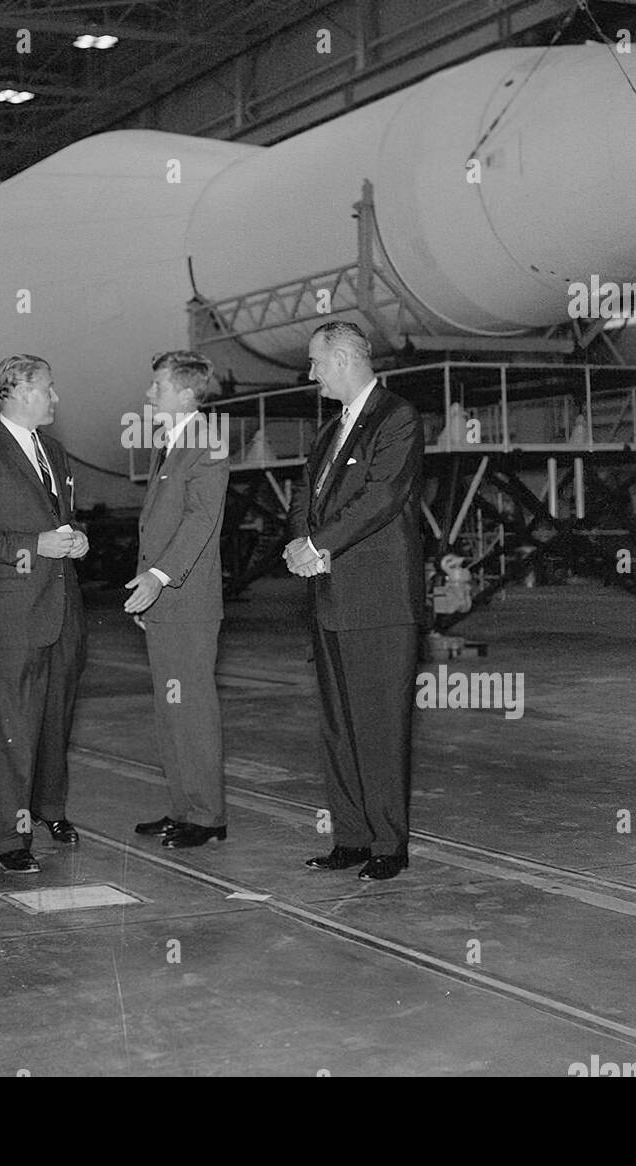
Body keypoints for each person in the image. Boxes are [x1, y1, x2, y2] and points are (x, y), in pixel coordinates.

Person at [285, 321, 425, 881]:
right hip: (330, 593)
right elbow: (304, 493)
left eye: (316, 362)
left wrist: (319, 543)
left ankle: (389, 845)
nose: (312, 373)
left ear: (342, 359)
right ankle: (350, 838)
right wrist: (302, 542)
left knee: (380, 725)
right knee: (339, 724)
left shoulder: (397, 418)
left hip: (379, 600)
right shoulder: (329, 431)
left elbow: (382, 497)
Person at [0, 356, 89, 874]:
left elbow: (58, 521)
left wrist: (73, 540)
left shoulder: (53, 452)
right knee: (15, 728)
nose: (55, 399)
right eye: (49, 389)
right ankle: (11, 838)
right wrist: (38, 544)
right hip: (13, 617)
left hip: (62, 610)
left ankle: (50, 809)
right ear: (21, 392)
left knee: (55, 719)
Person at [125, 352, 231, 849]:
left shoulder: (206, 442)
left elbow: (200, 521)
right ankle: (183, 808)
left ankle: (208, 816)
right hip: (166, 597)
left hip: (187, 597)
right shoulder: (171, 443)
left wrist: (158, 579)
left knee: (192, 709)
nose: (149, 395)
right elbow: (157, 524)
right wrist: (150, 591)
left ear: (187, 394)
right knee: (171, 710)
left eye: (158, 386)